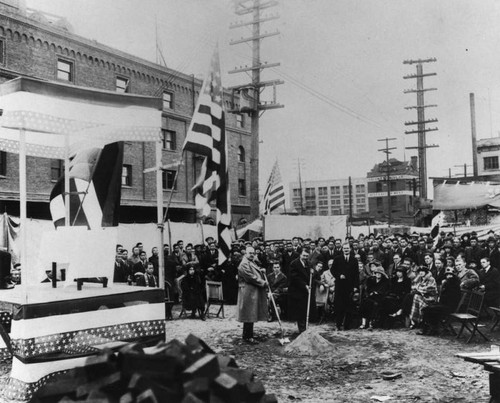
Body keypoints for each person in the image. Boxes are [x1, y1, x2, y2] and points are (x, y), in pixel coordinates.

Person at [237, 246, 268, 343]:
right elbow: (250, 277)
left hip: (252, 291)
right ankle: (247, 337)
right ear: (245, 253)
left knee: (251, 314)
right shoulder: (244, 263)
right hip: (248, 292)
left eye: (253, 253)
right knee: (248, 314)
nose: (252, 255)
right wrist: (263, 282)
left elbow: (255, 270)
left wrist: (261, 270)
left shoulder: (251, 261)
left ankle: (248, 335)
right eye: (250, 253)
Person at [419, 267, 461, 335]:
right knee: (428, 307)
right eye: (447, 275)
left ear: (453, 276)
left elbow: (450, 298)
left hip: (450, 306)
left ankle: (429, 329)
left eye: (450, 275)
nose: (448, 276)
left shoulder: (453, 284)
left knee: (429, 308)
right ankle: (431, 328)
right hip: (445, 304)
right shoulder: (447, 283)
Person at [331, 243, 359, 330]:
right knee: (339, 306)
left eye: (347, 248)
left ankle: (347, 325)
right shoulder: (337, 259)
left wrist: (355, 286)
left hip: (350, 286)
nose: (346, 250)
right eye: (344, 248)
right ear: (342, 249)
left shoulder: (354, 260)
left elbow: (356, 274)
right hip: (340, 286)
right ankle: (338, 324)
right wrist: (339, 276)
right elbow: (332, 270)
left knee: (349, 306)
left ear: (350, 249)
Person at [288, 249, 316, 333]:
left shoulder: (309, 264)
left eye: (307, 256)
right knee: (299, 310)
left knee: (305, 309)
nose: (305, 257)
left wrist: (313, 272)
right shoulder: (294, 264)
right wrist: (304, 285)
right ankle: (302, 328)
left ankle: (305, 327)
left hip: (306, 291)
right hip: (297, 290)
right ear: (300, 255)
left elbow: (312, 276)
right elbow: (294, 277)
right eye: (304, 255)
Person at [359, 264, 389, 329]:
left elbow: (385, 291)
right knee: (365, 302)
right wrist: (370, 293)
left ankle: (371, 323)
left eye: (379, 273)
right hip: (370, 296)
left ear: (382, 274)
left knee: (374, 304)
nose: (378, 274)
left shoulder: (385, 281)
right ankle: (363, 323)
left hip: (379, 298)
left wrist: (377, 293)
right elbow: (368, 289)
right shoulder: (371, 280)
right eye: (377, 273)